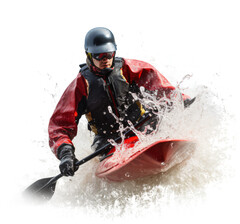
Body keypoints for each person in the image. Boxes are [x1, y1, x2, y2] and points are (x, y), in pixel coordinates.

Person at [48, 27, 194, 177]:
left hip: (142, 127)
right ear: (89, 55)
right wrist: (65, 153)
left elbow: (160, 86)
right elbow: (60, 126)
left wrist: (180, 100)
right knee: (103, 145)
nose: (105, 59)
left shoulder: (129, 69)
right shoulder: (80, 85)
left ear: (114, 52)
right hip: (109, 142)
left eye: (108, 54)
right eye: (98, 55)